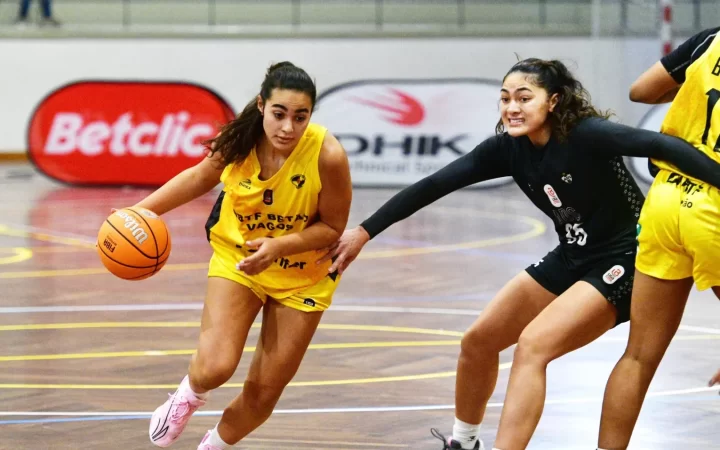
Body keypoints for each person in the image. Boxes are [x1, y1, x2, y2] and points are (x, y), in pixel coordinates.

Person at [318, 57, 720, 450]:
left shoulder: (586, 134)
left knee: (532, 347)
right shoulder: (508, 149)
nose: (512, 107)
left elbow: (659, 143)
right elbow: (434, 185)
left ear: (554, 101)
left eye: (524, 98)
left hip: (625, 259)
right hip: (573, 254)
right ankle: (464, 442)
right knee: (478, 341)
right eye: (505, 98)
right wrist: (365, 232)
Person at [129, 61, 352, 449]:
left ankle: (212, 446)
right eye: (279, 114)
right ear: (262, 105)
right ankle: (188, 395)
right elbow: (199, 177)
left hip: (304, 275)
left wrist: (279, 246)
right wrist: (139, 212)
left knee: (263, 394)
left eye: (300, 117)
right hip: (240, 259)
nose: (288, 127)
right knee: (214, 367)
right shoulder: (240, 140)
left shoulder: (328, 155)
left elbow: (333, 229)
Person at [598, 26, 720, 450]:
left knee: (638, 355)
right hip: (716, 206)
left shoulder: (711, 40)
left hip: (667, 198)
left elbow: (641, 91)